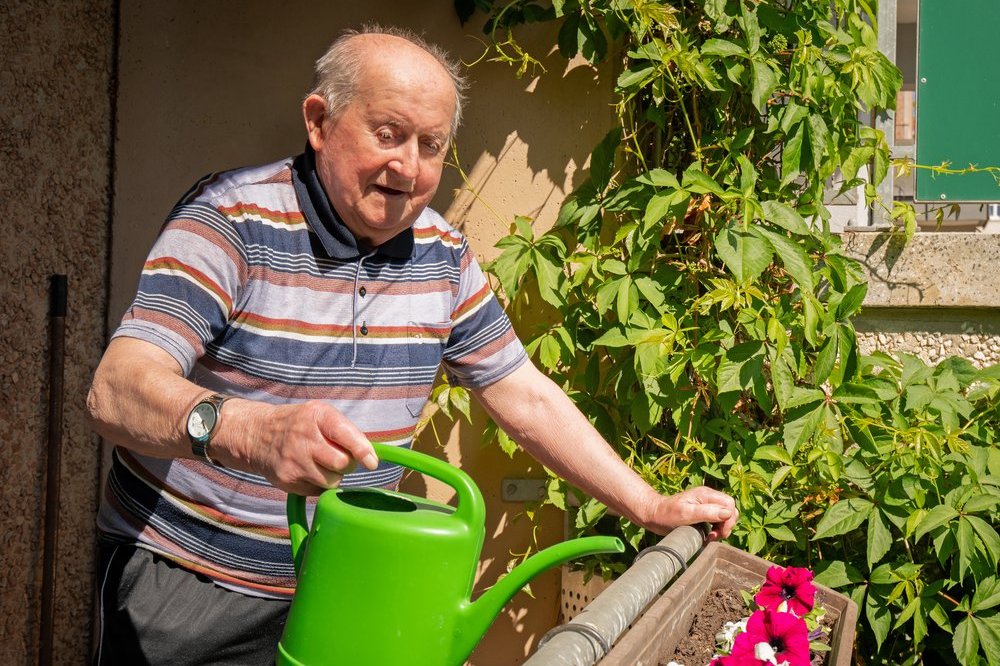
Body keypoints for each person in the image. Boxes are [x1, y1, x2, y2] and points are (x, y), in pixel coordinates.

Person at [87, 24, 738, 665]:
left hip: (349, 584)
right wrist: (246, 431)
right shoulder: (229, 220)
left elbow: (524, 395)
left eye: (432, 145)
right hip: (191, 585)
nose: (409, 166)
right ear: (319, 122)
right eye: (389, 134)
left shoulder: (443, 257)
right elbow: (115, 389)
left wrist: (648, 504)